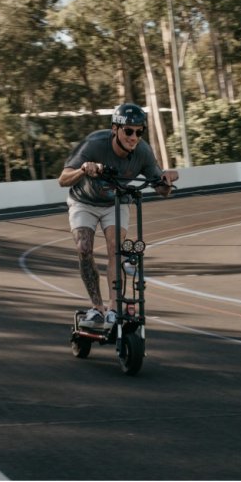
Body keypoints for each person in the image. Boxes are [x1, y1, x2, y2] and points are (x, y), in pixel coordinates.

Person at [58, 103, 179, 330]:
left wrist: (168, 180)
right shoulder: (94, 143)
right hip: (84, 201)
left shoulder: (142, 151)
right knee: (84, 247)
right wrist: (83, 169)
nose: (134, 137)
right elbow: (63, 179)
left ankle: (113, 309)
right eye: (128, 131)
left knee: (116, 248)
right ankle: (97, 308)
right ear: (115, 129)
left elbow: (161, 189)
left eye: (139, 132)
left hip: (117, 201)